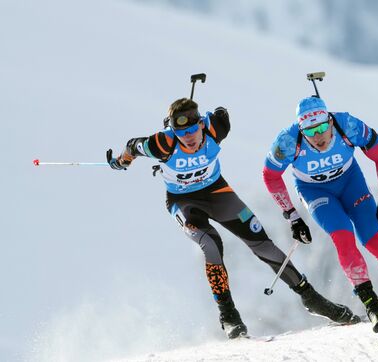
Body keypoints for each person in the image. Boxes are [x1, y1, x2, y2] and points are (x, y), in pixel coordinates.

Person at [106, 98, 359, 339]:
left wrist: (214, 114)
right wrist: (122, 161)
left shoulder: (216, 128)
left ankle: (312, 299)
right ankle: (228, 316)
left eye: (193, 131)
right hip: (184, 203)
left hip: (218, 193)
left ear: (201, 125)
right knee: (212, 244)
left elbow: (221, 113)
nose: (188, 139)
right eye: (181, 134)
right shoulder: (162, 143)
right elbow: (132, 146)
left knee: (262, 242)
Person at [263, 96, 378, 335]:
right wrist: (292, 215)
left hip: (351, 184)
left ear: (330, 121)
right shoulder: (287, 141)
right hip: (315, 192)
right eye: (310, 131)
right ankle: (372, 304)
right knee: (343, 237)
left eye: (321, 128)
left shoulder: (348, 125)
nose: (318, 136)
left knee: (376, 240)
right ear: (301, 130)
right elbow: (270, 176)